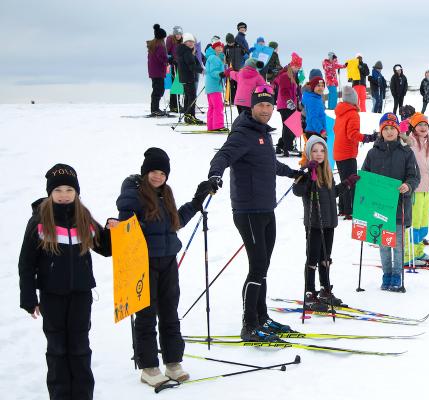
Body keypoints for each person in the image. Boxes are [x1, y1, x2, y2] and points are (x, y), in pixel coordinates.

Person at [207, 85, 303, 342]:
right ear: (251, 107)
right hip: (248, 209)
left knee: (263, 266)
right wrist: (215, 174)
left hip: (266, 207)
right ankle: (249, 324)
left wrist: (294, 173)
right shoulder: (243, 133)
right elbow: (223, 156)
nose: (265, 109)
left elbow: (271, 164)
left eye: (269, 105)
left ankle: (262, 317)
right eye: (260, 105)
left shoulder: (264, 134)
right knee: (257, 265)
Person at [115, 148, 211, 387]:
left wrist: (196, 201)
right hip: (144, 263)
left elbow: (174, 223)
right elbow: (126, 229)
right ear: (145, 172)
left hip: (168, 261)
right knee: (147, 315)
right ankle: (148, 366)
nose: (158, 176)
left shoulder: (165, 194)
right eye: (153, 172)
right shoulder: (133, 196)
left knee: (170, 312)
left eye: (162, 173)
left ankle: (172, 362)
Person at [18, 164, 113, 399]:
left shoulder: (85, 219)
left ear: (76, 192)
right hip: (52, 296)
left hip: (81, 295)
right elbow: (26, 263)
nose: (63, 195)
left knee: (80, 348)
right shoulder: (39, 221)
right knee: (58, 350)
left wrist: (113, 230)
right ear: (50, 192)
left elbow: (106, 248)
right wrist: (28, 297)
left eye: (69, 190)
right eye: (58, 190)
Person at [293, 136, 359, 311]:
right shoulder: (306, 173)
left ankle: (325, 289)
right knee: (312, 258)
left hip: (329, 222)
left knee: (325, 259)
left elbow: (332, 194)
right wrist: (307, 175)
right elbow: (297, 191)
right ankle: (309, 292)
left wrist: (347, 183)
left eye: (322, 151)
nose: (319, 154)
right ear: (308, 153)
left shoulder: (328, 173)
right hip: (314, 223)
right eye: (314, 151)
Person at [361, 113, 419, 292]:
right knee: (384, 244)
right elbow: (365, 176)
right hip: (380, 209)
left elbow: (414, 176)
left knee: (399, 245)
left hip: (400, 207)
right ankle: (387, 274)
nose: (389, 131)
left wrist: (407, 186)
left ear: (397, 130)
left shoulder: (406, 152)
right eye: (385, 129)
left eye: (392, 128)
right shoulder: (372, 153)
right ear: (381, 132)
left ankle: (397, 275)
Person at [333, 86, 377, 219]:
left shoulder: (340, 113)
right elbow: (352, 134)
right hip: (347, 153)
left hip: (338, 152)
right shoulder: (353, 114)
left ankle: (342, 209)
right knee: (350, 182)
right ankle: (349, 211)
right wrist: (367, 138)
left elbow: (336, 130)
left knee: (343, 181)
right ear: (355, 100)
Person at [404, 113, 429, 267]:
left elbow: (426, 167)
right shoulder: (411, 141)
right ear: (414, 127)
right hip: (415, 190)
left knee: (423, 224)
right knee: (413, 224)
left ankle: (418, 251)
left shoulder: (426, 142)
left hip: (426, 189)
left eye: (425, 125)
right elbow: (401, 140)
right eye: (420, 125)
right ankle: (407, 254)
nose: (423, 128)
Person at [273, 53, 303, 157]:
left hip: (290, 104)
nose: (297, 68)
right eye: (296, 66)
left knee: (289, 126)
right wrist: (289, 101)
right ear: (291, 65)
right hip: (286, 105)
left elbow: (296, 89)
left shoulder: (292, 75)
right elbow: (284, 91)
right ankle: (288, 147)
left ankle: (281, 146)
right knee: (291, 126)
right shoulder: (286, 75)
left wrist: (299, 98)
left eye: (299, 67)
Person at [176, 33, 204, 125]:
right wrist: (201, 70)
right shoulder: (187, 52)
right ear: (185, 42)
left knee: (188, 96)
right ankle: (190, 116)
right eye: (189, 41)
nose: (191, 43)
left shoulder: (185, 51)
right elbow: (191, 66)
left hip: (184, 78)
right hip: (188, 77)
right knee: (191, 97)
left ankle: (188, 116)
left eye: (192, 41)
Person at [147, 24, 169, 117]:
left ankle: (155, 108)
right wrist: (169, 60)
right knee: (158, 90)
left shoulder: (153, 45)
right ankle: (155, 109)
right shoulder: (159, 46)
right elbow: (162, 58)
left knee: (158, 89)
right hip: (158, 71)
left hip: (154, 71)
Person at [205, 41, 227, 131]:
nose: (220, 49)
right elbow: (213, 71)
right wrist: (220, 73)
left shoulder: (212, 57)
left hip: (210, 86)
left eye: (221, 47)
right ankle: (218, 125)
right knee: (218, 106)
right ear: (214, 48)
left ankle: (211, 125)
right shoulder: (214, 58)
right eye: (218, 47)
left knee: (212, 107)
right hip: (214, 86)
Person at [301, 76, 327, 141]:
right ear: (313, 87)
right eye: (318, 85)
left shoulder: (315, 97)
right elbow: (313, 118)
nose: (321, 88)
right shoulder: (313, 100)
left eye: (322, 85)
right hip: (315, 132)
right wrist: (321, 130)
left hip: (313, 131)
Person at [224, 33, 247, 103]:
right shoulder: (225, 48)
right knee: (230, 85)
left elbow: (245, 54)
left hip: (239, 69)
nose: (230, 44)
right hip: (230, 70)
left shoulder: (239, 46)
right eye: (229, 43)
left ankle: (239, 100)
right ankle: (231, 100)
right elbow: (224, 58)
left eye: (232, 42)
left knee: (239, 85)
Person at [166, 26, 183, 113]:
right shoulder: (170, 40)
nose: (178, 36)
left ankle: (177, 103)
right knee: (174, 84)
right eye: (176, 34)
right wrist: (171, 59)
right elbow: (167, 52)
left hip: (179, 64)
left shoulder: (182, 41)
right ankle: (173, 105)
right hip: (173, 64)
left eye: (179, 34)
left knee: (179, 84)